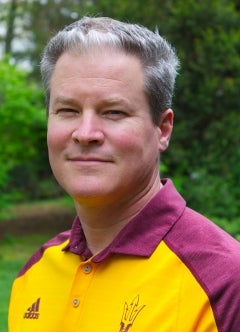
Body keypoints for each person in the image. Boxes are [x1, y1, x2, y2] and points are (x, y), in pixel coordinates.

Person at [8, 17, 240, 332]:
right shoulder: (34, 274)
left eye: (113, 112)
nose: (85, 133)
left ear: (163, 129)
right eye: (68, 111)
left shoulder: (224, 281)